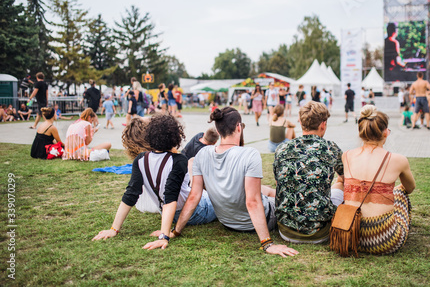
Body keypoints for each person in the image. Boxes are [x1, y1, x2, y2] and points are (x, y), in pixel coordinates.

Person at [171, 107, 298, 257]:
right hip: (257, 220)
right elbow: (253, 202)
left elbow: (194, 197)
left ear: (218, 131)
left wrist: (175, 231)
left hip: (227, 222)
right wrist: (267, 243)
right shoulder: (250, 154)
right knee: (289, 198)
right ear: (239, 127)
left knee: (267, 192)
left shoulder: (202, 154)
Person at [92, 114, 217, 247]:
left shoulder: (140, 159)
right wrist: (165, 235)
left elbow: (131, 194)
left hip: (169, 214)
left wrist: (114, 229)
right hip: (196, 211)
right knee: (214, 192)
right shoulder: (178, 161)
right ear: (177, 136)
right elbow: (170, 198)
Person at [342, 105, 416, 255]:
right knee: (400, 191)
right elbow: (410, 188)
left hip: (351, 234)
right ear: (385, 133)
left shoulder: (346, 155)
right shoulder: (398, 160)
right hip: (384, 239)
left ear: (361, 132)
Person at [273, 101, 344, 243]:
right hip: (321, 232)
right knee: (341, 184)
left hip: (287, 231)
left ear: (301, 123)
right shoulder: (330, 148)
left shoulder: (282, 148)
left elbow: (278, 183)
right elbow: (348, 179)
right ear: (323, 124)